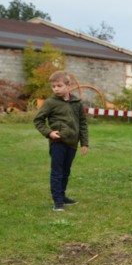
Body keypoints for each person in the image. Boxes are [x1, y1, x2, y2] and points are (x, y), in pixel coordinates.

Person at [33, 71, 89, 211]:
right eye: (53, 86)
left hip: (72, 143)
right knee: (57, 172)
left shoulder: (77, 103)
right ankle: (57, 202)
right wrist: (49, 133)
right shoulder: (50, 103)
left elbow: (82, 123)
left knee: (65, 172)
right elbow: (38, 120)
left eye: (59, 85)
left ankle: (63, 197)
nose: (56, 89)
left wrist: (84, 142)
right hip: (58, 143)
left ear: (69, 85)